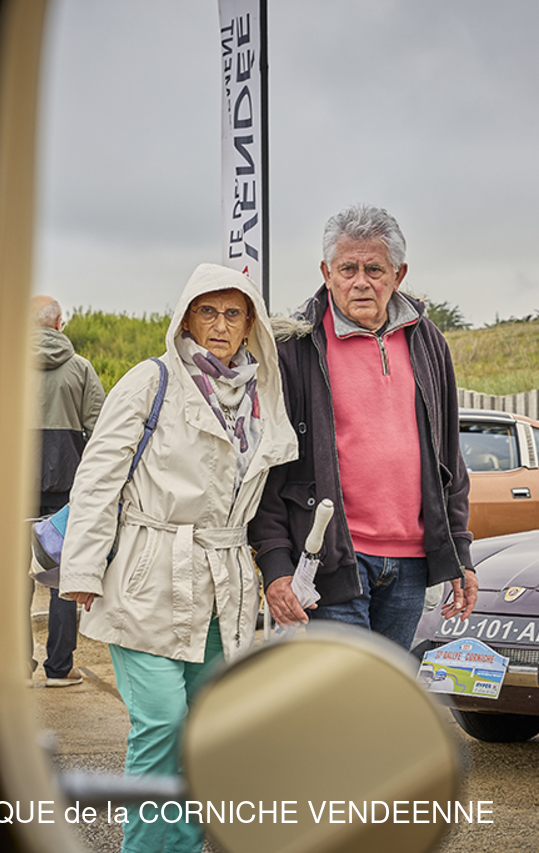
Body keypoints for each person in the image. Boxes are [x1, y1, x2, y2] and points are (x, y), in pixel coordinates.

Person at [59, 264, 296, 853]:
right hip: (149, 571)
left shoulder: (262, 394)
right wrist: (84, 568)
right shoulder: (151, 380)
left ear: (250, 324)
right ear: (186, 317)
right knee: (162, 721)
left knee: (204, 729)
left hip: (223, 582)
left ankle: (184, 847)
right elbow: (98, 478)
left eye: (233, 313)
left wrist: (280, 570)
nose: (220, 324)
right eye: (207, 311)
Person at [249, 203, 478, 647]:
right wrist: (275, 564)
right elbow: (269, 466)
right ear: (326, 273)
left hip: (411, 565)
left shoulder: (428, 341)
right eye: (347, 269)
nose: (360, 281)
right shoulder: (294, 347)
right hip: (330, 560)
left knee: (385, 687)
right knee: (343, 685)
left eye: (374, 269)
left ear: (398, 274)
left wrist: (459, 552)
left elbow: (449, 457)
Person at [31, 294, 105, 687]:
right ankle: (59, 668)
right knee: (62, 576)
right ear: (60, 323)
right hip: (66, 491)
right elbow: (102, 433)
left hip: (13, 490)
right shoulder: (81, 369)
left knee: (14, 576)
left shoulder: (3, 368)